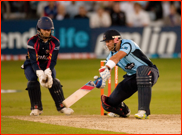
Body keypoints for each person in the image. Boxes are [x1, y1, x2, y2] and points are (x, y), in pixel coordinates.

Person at [94, 29, 159, 119]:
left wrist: (107, 67)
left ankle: (143, 111)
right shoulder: (110, 56)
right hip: (132, 77)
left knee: (142, 71)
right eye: (106, 42)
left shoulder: (127, 44)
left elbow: (117, 57)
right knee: (109, 103)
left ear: (116, 40)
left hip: (149, 72)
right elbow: (108, 69)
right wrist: (102, 79)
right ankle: (123, 111)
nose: (107, 44)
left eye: (108, 41)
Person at [21, 16, 74, 116]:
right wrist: (39, 73)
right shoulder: (32, 42)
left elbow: (53, 59)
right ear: (39, 29)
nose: (47, 32)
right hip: (32, 65)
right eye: (45, 30)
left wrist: (48, 71)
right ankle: (36, 108)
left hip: (47, 64)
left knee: (53, 81)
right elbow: (33, 60)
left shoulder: (55, 42)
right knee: (32, 81)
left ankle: (62, 107)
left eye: (49, 30)